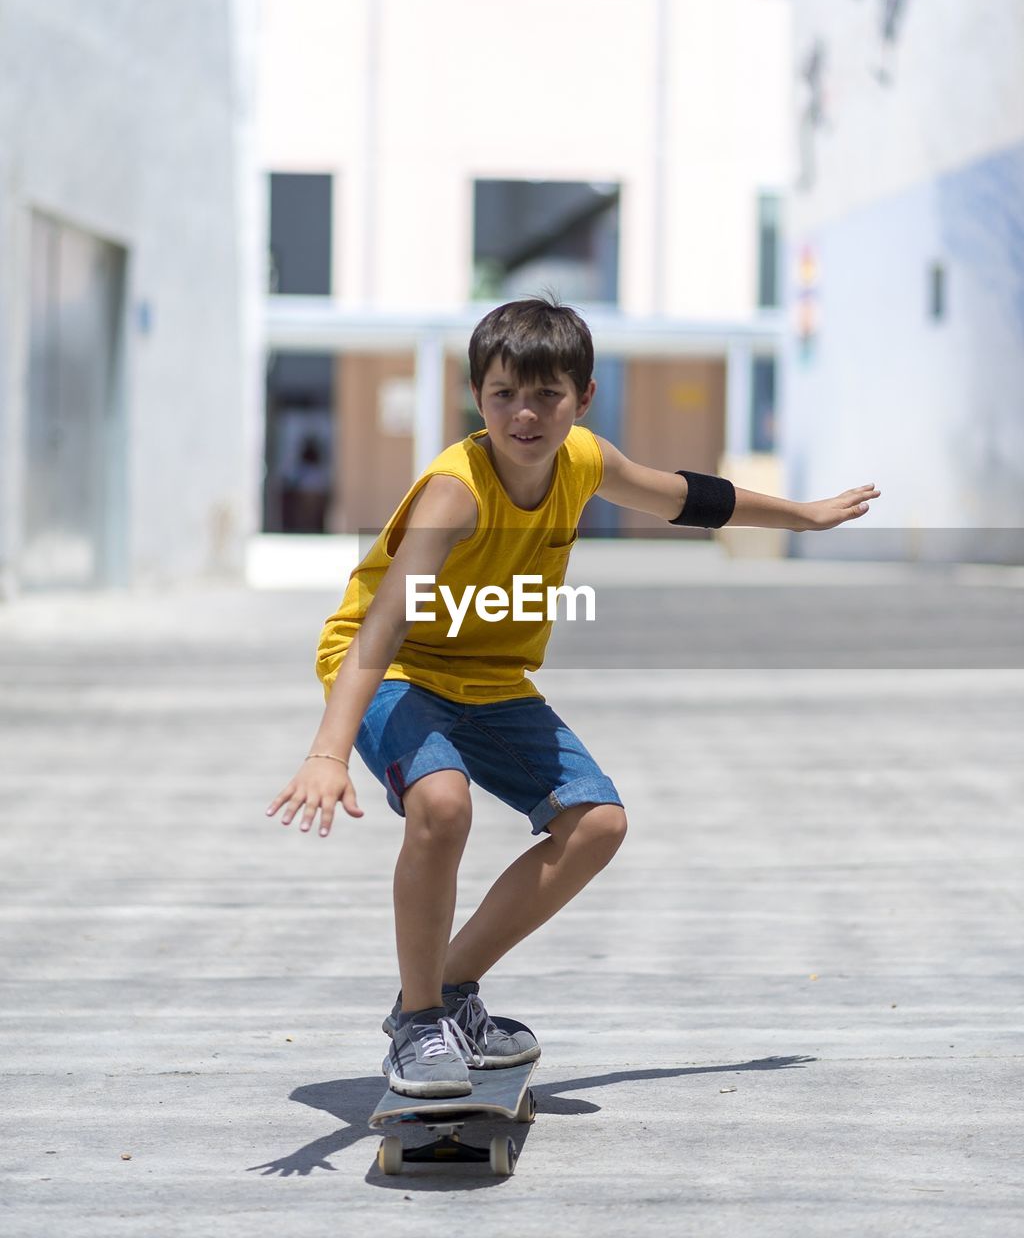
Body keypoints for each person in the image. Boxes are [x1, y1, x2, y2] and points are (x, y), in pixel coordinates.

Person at [265, 297, 881, 1099]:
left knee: (597, 822)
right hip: (395, 670)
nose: (525, 414)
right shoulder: (456, 492)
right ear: (476, 400)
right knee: (443, 805)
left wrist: (801, 515)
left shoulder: (585, 460)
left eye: (548, 396)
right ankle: (419, 1026)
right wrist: (327, 751)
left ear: (583, 398)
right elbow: (379, 631)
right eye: (503, 396)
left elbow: (685, 497)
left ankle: (447, 991)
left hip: (493, 681)